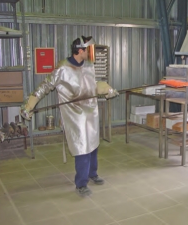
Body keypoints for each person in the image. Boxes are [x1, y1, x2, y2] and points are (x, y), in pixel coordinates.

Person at [20, 36, 118, 197]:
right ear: (80, 51)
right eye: (88, 50)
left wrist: (107, 89)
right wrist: (29, 105)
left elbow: (92, 85)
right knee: (82, 147)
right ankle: (81, 183)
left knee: (93, 144)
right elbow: (44, 87)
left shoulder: (89, 65)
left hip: (91, 112)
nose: (90, 53)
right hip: (75, 115)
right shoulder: (62, 68)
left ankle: (92, 173)